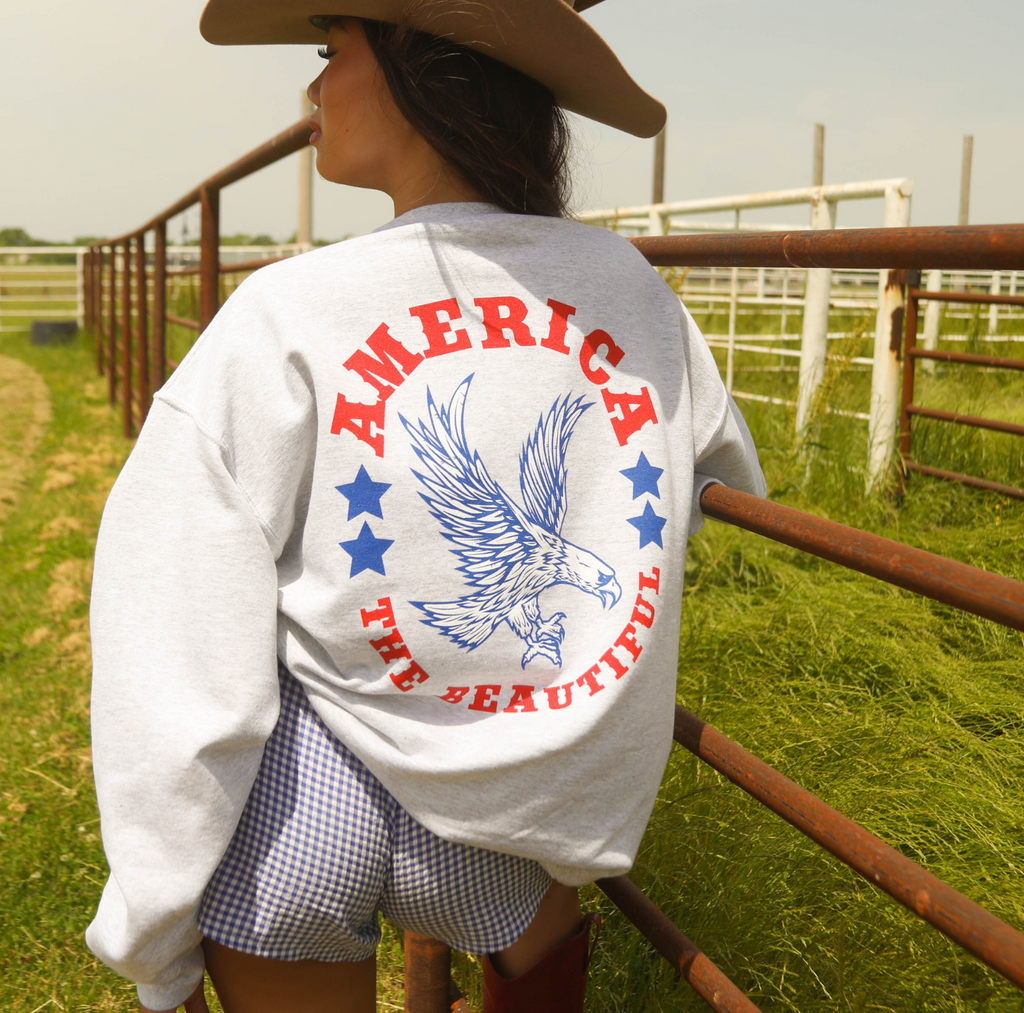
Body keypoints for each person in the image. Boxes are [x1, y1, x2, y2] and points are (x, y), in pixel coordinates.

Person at [85, 2, 766, 1011]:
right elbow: (723, 478)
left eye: (331, 53)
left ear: (423, 70)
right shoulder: (628, 288)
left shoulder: (285, 310)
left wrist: (154, 932)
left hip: (299, 803)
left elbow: (175, 627)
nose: (312, 88)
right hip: (518, 818)